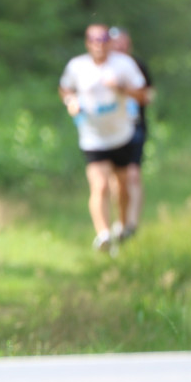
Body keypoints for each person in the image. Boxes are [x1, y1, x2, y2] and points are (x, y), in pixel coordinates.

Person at [58, 24, 147, 253]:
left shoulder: (124, 65)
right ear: (87, 43)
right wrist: (71, 102)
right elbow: (65, 89)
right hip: (92, 137)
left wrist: (121, 88)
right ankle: (103, 235)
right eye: (93, 40)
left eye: (103, 39)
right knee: (99, 186)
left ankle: (123, 226)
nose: (99, 44)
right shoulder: (77, 66)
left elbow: (143, 95)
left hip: (121, 136)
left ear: (109, 42)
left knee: (123, 187)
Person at [108, 27, 153, 240]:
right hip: (108, 130)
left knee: (133, 175)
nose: (121, 48)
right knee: (115, 180)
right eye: (117, 44)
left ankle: (131, 226)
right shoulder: (100, 68)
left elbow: (148, 95)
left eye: (124, 44)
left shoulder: (138, 66)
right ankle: (120, 221)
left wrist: (124, 90)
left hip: (134, 126)